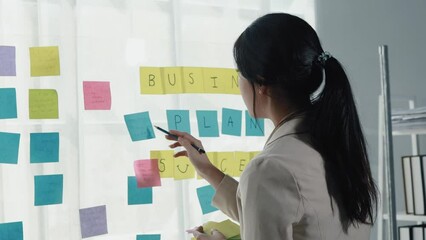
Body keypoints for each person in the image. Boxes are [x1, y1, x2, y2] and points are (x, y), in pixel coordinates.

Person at [167, 13, 378, 240]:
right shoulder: (337, 143)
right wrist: (207, 169)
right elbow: (275, 213)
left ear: (261, 84)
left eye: (240, 74)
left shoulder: (270, 168)